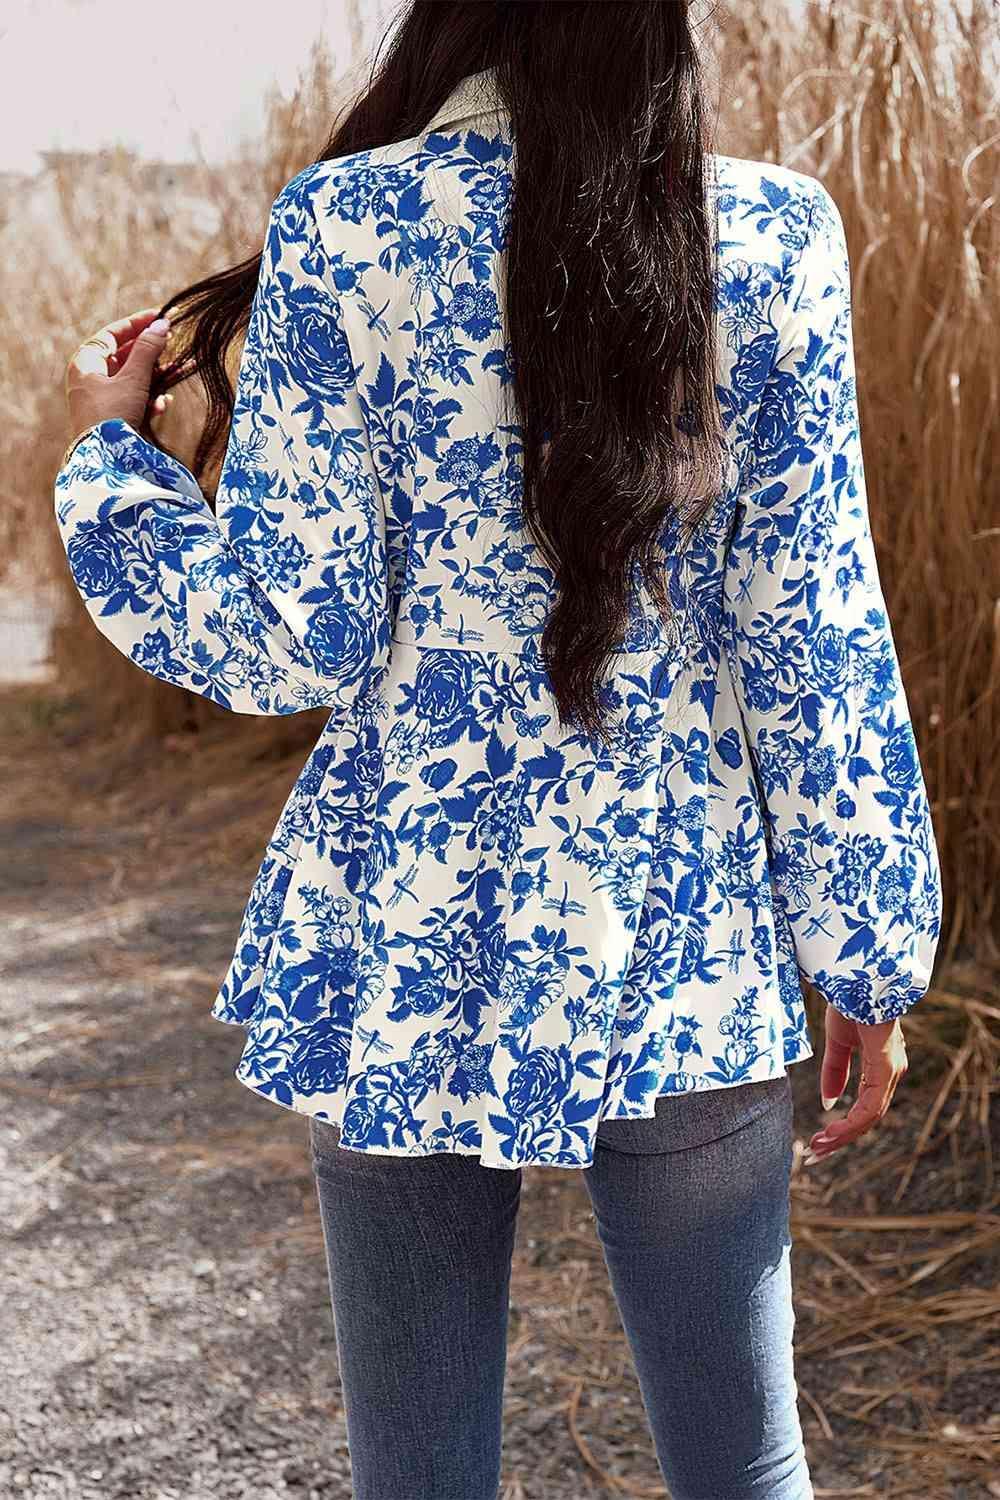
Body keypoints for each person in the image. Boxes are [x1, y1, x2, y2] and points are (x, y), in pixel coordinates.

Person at [54, 4, 942, 1496]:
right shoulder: (777, 237)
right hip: (684, 923)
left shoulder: (347, 228)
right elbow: (817, 636)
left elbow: (291, 642)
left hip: (405, 924)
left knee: (422, 1472)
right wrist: (868, 954)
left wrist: (112, 466)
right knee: (747, 1467)